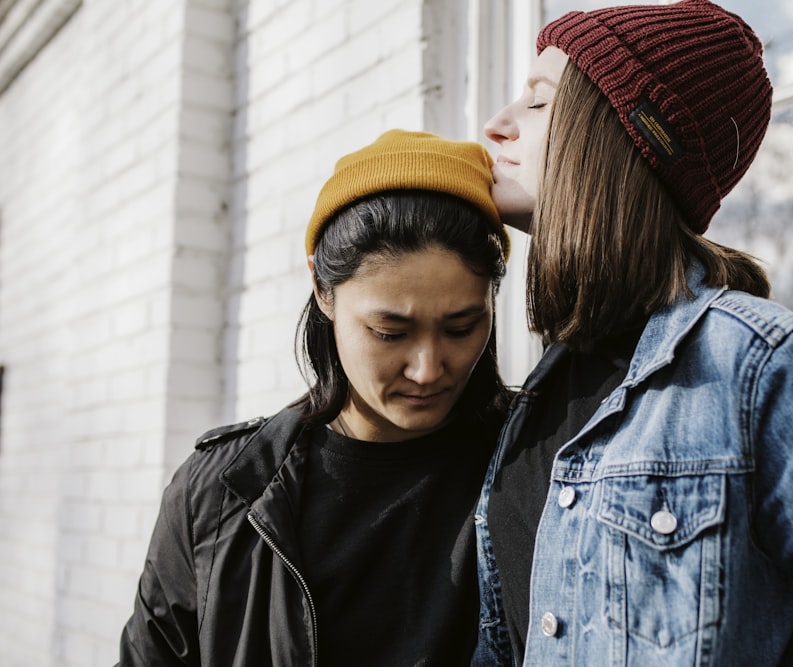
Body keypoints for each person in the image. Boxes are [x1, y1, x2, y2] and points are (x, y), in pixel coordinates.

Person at [474, 1, 793, 665]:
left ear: (624, 135)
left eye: (540, 103)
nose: (496, 125)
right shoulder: (540, 396)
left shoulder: (771, 372)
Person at [118, 129, 511, 666]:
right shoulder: (220, 493)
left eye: (462, 327)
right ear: (323, 292)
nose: (427, 369)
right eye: (389, 332)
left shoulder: (544, 463)